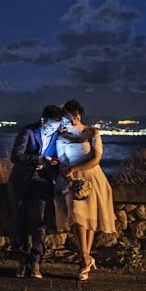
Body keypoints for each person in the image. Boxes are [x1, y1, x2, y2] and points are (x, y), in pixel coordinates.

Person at [57, 99, 116, 281]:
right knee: (77, 215)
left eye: (69, 118)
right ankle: (85, 257)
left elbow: (96, 159)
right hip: (71, 179)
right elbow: (62, 161)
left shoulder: (92, 132)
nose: (66, 122)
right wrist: (71, 177)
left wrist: (76, 169)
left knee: (89, 217)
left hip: (92, 177)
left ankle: (86, 259)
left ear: (77, 116)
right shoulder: (61, 136)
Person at [8, 104, 63, 279]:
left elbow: (57, 159)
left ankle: (36, 261)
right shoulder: (28, 131)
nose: (53, 128)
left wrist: (51, 164)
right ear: (43, 119)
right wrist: (38, 159)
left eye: (56, 125)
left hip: (42, 183)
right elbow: (15, 156)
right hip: (21, 182)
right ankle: (22, 261)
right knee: (20, 221)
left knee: (40, 223)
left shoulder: (57, 135)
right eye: (51, 124)